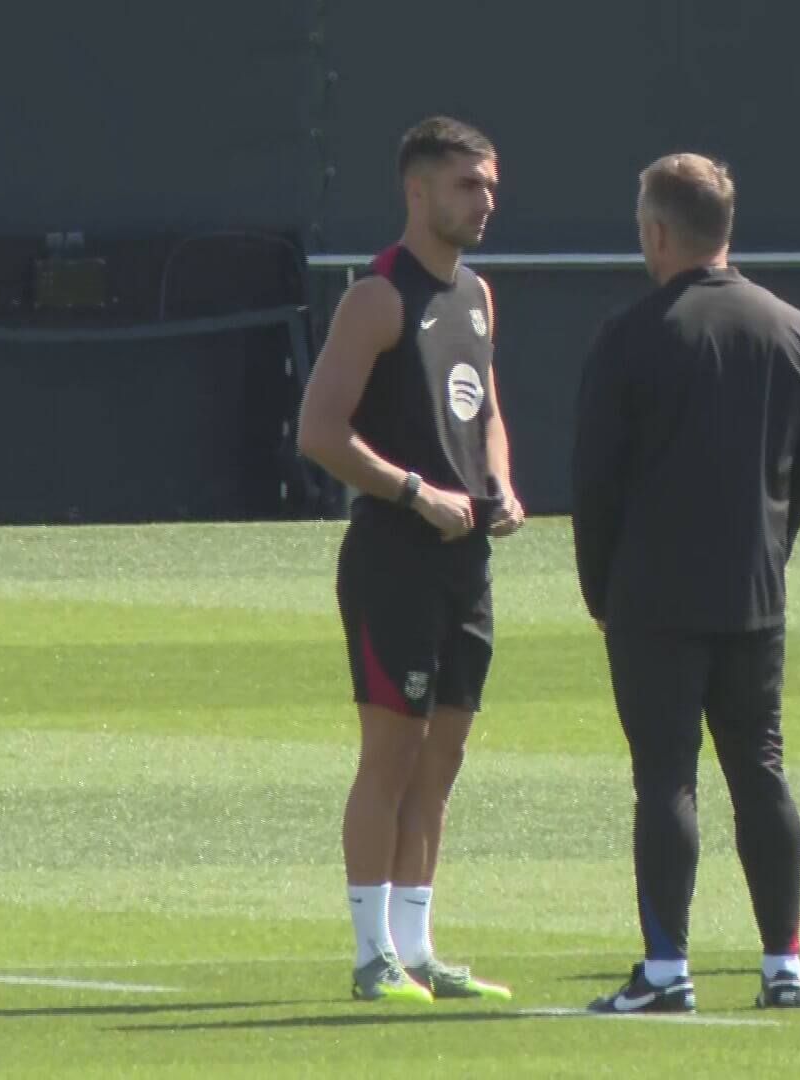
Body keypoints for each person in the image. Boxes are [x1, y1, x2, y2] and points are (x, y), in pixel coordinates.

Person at [572, 153, 800, 1012]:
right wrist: (769, 554)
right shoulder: (790, 326)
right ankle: (782, 965)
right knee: (760, 770)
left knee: (666, 779)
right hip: (754, 591)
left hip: (653, 595)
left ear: (656, 230)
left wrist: (600, 590)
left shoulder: (633, 332)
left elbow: (594, 482)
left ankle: (665, 971)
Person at [296, 115, 524, 1003]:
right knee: (391, 756)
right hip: (393, 556)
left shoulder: (477, 294)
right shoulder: (377, 296)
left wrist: (499, 483)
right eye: (469, 185)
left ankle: (417, 947)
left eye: (492, 186)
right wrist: (412, 493)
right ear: (418, 191)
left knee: (444, 760)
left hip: (466, 564)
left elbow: (486, 410)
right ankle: (369, 956)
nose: (486, 202)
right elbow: (319, 432)